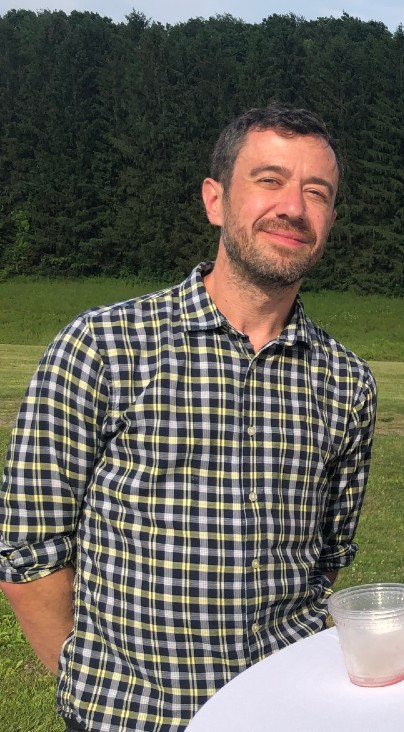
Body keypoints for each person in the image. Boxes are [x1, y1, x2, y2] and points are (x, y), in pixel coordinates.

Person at [0, 104, 377, 731]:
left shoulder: (345, 383)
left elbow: (326, 558)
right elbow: (31, 553)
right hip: (135, 719)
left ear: (330, 220)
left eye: (317, 192)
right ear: (214, 199)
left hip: (288, 713)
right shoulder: (102, 348)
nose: (293, 207)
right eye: (269, 179)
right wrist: (87, 685)